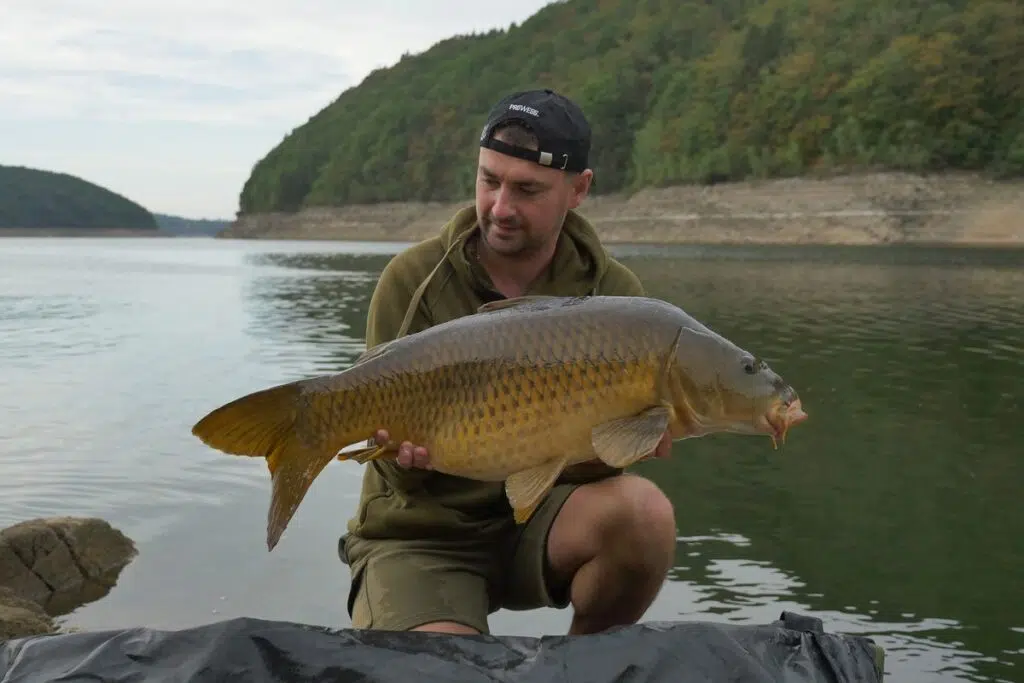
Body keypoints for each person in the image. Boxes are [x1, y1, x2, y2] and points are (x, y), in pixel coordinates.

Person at [337, 88, 677, 637]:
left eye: (527, 190)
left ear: (578, 189)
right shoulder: (411, 279)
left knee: (645, 515)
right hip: (421, 533)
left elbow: (594, 472)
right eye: (489, 180)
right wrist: (400, 456)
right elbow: (391, 475)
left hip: (541, 524)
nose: (500, 207)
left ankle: (585, 665)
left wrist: (626, 441)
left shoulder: (615, 297)